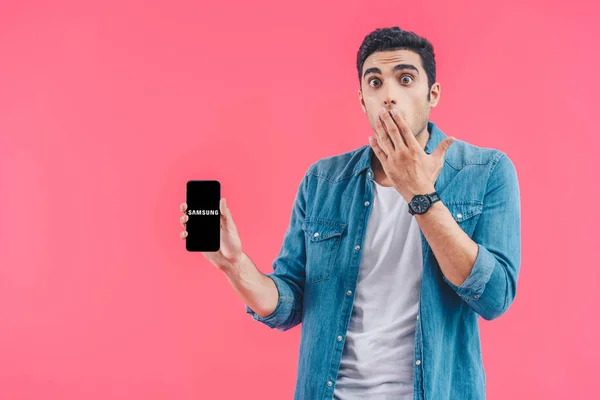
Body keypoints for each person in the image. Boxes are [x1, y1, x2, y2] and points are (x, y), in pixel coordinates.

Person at [179, 26, 521, 400]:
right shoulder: (323, 181)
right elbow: (288, 303)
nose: (389, 96)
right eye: (375, 83)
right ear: (362, 100)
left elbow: (494, 297)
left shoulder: (485, 171)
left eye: (405, 79)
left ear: (432, 93)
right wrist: (235, 265)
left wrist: (420, 195)